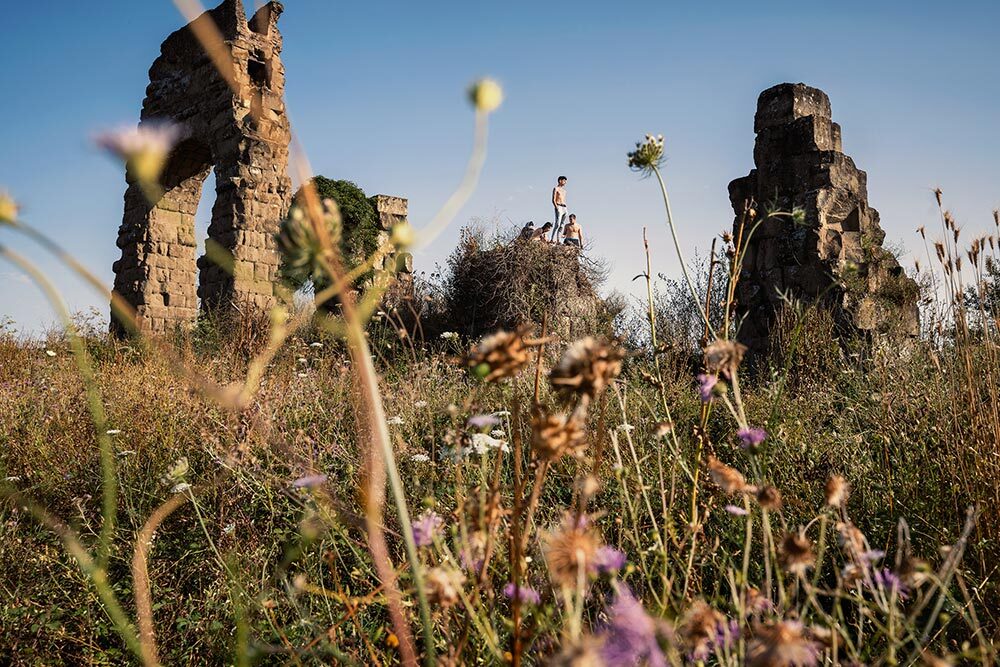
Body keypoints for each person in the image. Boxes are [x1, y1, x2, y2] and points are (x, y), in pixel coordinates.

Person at [551, 176, 568, 241]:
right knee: (557, 224)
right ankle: (552, 239)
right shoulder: (556, 188)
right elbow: (553, 200)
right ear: (560, 181)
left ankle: (558, 239)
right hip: (559, 206)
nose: (565, 182)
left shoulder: (564, 191)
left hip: (564, 207)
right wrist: (556, 207)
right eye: (564, 180)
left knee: (562, 225)